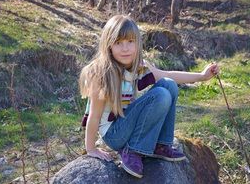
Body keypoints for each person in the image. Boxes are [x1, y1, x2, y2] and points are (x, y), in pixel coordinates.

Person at [79, 15, 219, 178]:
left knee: (168, 84)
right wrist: (91, 149)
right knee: (160, 95)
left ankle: (161, 145)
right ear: (108, 45)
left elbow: (169, 75)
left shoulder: (140, 67)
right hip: (114, 134)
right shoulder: (102, 73)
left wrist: (201, 76)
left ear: (138, 43)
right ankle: (132, 150)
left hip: (129, 124)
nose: (125, 48)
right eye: (118, 43)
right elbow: (94, 116)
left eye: (130, 42)